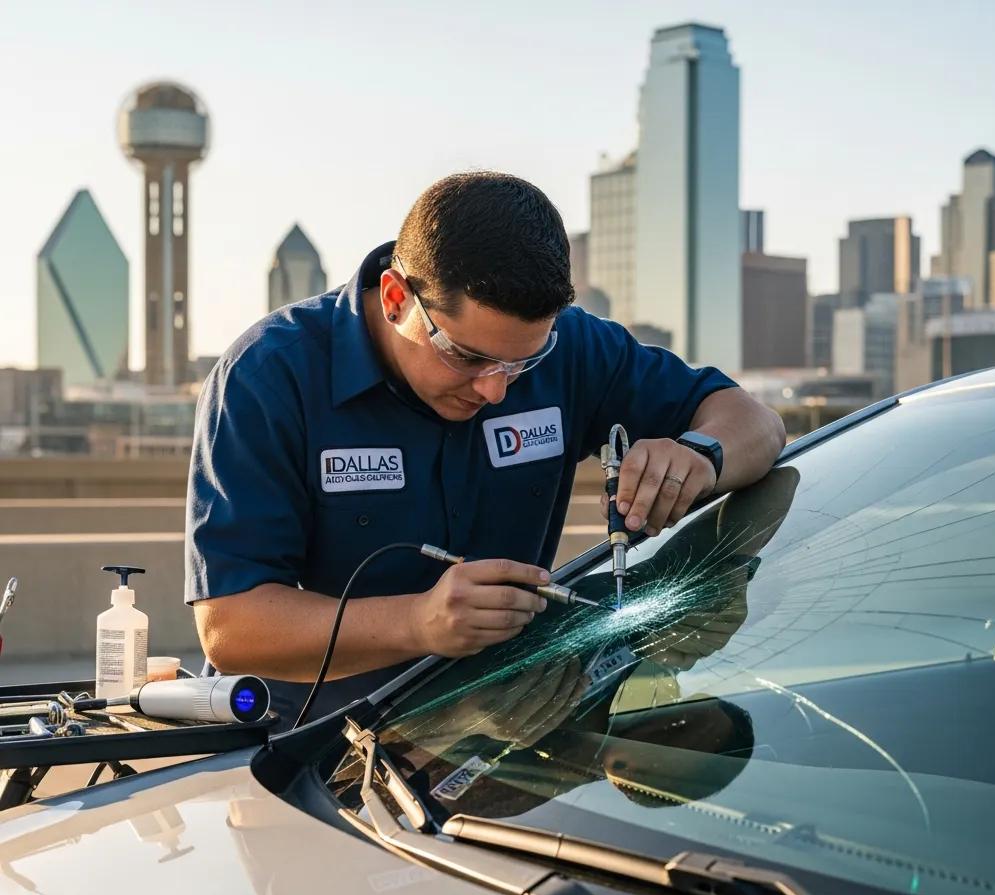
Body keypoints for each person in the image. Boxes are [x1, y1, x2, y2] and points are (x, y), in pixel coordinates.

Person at [187, 171, 785, 725]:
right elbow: (232, 628)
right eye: (466, 356)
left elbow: (757, 424)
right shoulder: (267, 376)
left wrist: (701, 455)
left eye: (524, 362)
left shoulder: (572, 347)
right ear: (397, 299)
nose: (496, 388)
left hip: (503, 749)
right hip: (304, 754)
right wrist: (418, 622)